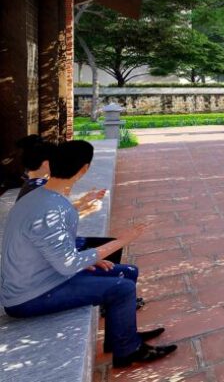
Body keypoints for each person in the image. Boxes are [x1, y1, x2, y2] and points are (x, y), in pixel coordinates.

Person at [0, 140, 176, 368]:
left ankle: (121, 339)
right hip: (32, 294)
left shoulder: (44, 197)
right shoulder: (47, 207)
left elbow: (57, 252)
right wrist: (122, 241)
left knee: (127, 272)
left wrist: (88, 260)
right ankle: (128, 352)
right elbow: (68, 263)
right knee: (122, 288)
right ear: (84, 169)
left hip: (46, 275)